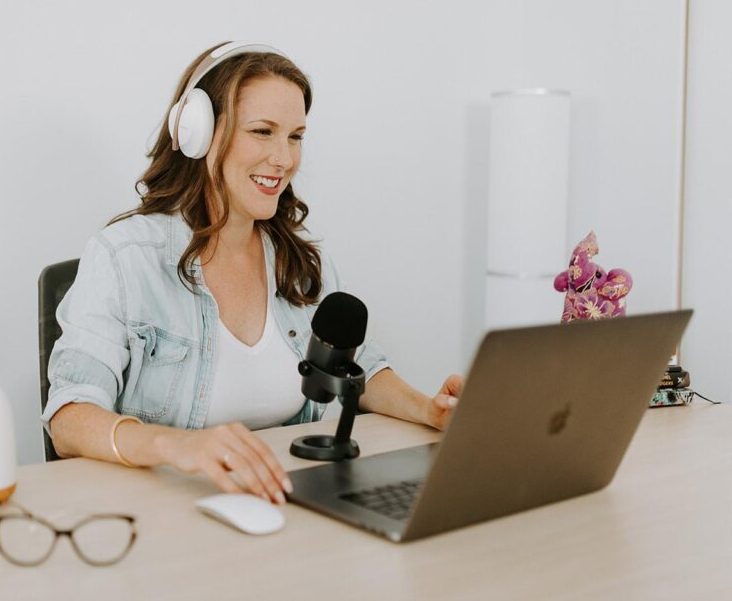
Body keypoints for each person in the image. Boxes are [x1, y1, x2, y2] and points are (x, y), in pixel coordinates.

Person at [42, 42, 464, 505]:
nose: (284, 159)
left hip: (288, 503)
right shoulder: (124, 258)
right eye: (263, 132)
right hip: (162, 516)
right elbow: (69, 417)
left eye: (296, 136)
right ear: (199, 134)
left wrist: (430, 410)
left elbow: (361, 367)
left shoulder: (301, 265)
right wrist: (177, 446)